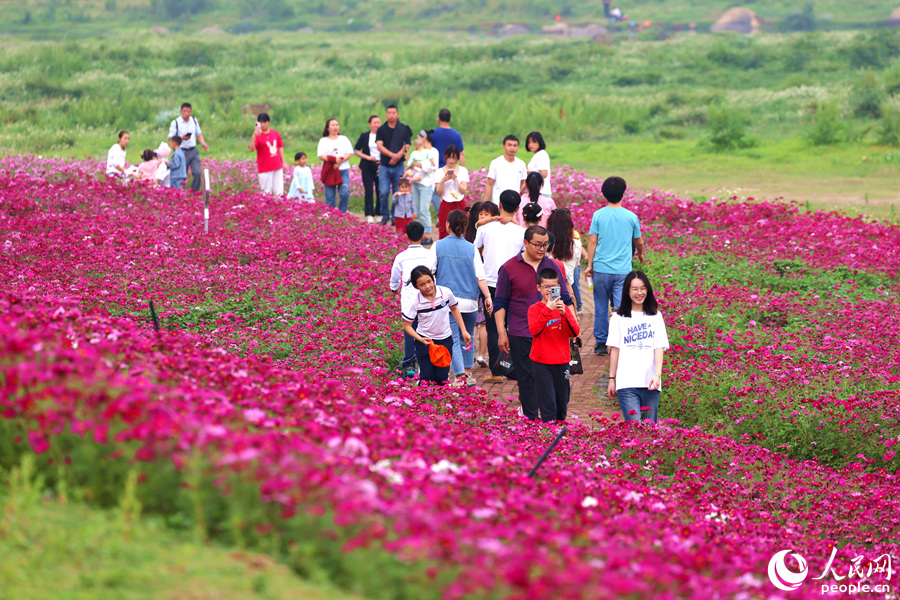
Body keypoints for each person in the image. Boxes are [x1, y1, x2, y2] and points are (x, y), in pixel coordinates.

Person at [494, 226, 573, 420]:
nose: (542, 249)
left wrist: (573, 324)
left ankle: (553, 419)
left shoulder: (552, 266)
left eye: (545, 245)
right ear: (526, 243)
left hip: (552, 333)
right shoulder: (509, 268)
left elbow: (566, 298)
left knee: (556, 381)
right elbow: (500, 303)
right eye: (537, 245)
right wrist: (502, 332)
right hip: (522, 332)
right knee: (527, 380)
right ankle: (531, 421)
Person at [585, 176, 644, 356]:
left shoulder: (598, 215)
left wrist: (589, 264)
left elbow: (593, 241)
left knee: (601, 307)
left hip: (601, 269)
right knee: (621, 307)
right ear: (623, 192)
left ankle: (601, 344)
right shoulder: (631, 217)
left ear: (604, 193)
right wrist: (640, 253)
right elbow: (639, 242)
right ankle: (622, 340)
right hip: (622, 271)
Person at [434, 210, 492, 387]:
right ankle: (467, 373)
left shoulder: (438, 246)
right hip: (470, 301)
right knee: (468, 336)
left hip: (449, 302)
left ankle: (459, 377)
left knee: (454, 338)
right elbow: (480, 276)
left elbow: (428, 270)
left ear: (448, 225)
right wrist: (488, 296)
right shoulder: (471, 248)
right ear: (465, 227)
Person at [474, 191, 526, 383]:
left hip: (490, 284)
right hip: (514, 284)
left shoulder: (485, 229)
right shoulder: (521, 232)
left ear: (499, 205)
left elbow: (475, 250)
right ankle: (515, 367)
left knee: (492, 327)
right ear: (518, 208)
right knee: (514, 326)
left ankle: (496, 372)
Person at [607, 271, 669, 424]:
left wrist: (657, 375)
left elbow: (658, 347)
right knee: (635, 428)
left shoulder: (656, 316)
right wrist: (611, 379)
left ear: (648, 290)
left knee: (650, 429)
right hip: (626, 383)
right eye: (634, 289)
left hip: (651, 383)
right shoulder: (618, 318)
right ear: (627, 292)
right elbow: (615, 350)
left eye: (643, 288)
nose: (639, 293)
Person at [402, 266, 471, 385]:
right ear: (416, 287)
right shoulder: (415, 301)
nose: (428, 286)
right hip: (425, 342)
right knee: (427, 378)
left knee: (442, 377)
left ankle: (441, 395)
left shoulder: (445, 292)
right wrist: (420, 339)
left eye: (429, 281)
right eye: (422, 284)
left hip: (445, 340)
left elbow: (454, 309)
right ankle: (422, 389)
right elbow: (407, 325)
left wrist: (464, 331)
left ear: (433, 278)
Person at [528, 268, 580, 422]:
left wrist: (564, 314)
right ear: (538, 288)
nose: (550, 291)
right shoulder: (534, 309)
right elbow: (534, 330)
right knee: (547, 403)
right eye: (546, 287)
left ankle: (560, 431)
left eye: (554, 287)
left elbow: (574, 332)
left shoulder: (563, 309)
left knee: (562, 402)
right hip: (541, 363)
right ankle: (550, 431)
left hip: (562, 361)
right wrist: (547, 310)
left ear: (559, 287)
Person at [390, 221, 435, 378]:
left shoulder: (401, 256)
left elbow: (395, 277)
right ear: (423, 236)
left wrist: (394, 289)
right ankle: (427, 362)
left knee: (409, 330)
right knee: (427, 330)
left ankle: (409, 363)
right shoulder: (430, 254)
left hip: (409, 301)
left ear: (406, 236)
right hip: (427, 299)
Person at [377, 105, 413, 226]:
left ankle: (395, 216)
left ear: (398, 114)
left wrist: (397, 156)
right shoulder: (381, 129)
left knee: (398, 192)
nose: (391, 115)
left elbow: (407, 145)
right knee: (383, 191)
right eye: (389, 113)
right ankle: (385, 214)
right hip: (384, 166)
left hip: (398, 166)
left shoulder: (404, 129)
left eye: (393, 113)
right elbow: (379, 145)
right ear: (386, 115)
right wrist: (392, 155)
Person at [430, 108, 465, 216]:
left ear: (438, 119)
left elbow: (429, 151)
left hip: (437, 168)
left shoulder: (433, 134)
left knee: (437, 193)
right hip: (454, 167)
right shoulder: (456, 135)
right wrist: (462, 169)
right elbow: (461, 153)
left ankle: (439, 214)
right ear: (450, 119)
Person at [167, 102, 209, 192]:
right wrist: (181, 138)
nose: (186, 113)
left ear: (191, 112)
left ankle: (194, 192)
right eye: (184, 111)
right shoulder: (175, 123)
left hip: (193, 150)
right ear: (180, 111)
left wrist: (203, 143)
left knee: (197, 172)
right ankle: (181, 193)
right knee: (182, 174)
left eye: (188, 111)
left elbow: (199, 134)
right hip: (182, 152)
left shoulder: (194, 120)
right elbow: (170, 137)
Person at [547, 208, 583, 312]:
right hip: (567, 289)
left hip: (547, 288)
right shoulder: (576, 244)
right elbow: (576, 264)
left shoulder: (546, 244)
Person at [317, 118, 354, 213]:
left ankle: (342, 213)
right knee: (330, 197)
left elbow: (349, 152)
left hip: (343, 170)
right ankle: (332, 216)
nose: (335, 127)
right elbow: (321, 155)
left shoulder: (344, 139)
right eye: (333, 125)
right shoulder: (323, 141)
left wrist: (340, 161)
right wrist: (334, 160)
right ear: (328, 128)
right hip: (329, 170)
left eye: (337, 125)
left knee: (345, 193)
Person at [407, 130, 438, 238]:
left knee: (424, 209)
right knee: (417, 209)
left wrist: (415, 163)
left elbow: (429, 167)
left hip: (426, 184)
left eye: (419, 137)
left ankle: (428, 234)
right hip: (416, 183)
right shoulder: (417, 152)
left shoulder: (433, 152)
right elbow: (411, 166)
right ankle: (422, 232)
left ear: (424, 138)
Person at [434, 145, 469, 239]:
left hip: (459, 203)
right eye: (449, 157)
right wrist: (443, 180)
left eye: (454, 158)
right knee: (444, 230)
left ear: (457, 158)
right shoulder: (439, 172)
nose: (451, 160)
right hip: (446, 204)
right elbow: (439, 193)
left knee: (462, 229)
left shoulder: (463, 170)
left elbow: (463, 190)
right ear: (445, 157)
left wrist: (455, 179)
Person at [248, 113, 286, 195]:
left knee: (279, 192)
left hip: (277, 166)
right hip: (265, 168)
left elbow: (280, 147)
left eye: (264, 122)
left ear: (269, 122)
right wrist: (254, 135)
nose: (263, 124)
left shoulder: (275, 133)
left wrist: (283, 162)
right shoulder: (257, 136)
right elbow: (251, 149)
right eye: (260, 122)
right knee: (266, 192)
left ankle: (279, 203)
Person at [483, 135, 527, 206]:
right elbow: (489, 184)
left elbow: (521, 185)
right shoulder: (496, 163)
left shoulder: (521, 164)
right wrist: (484, 205)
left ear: (518, 147)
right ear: (504, 146)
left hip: (514, 205)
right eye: (509, 145)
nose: (512, 148)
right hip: (498, 203)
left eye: (515, 145)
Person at [354, 115, 381, 223]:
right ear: (370, 124)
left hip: (381, 166)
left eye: (378, 122)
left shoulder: (384, 136)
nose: (377, 125)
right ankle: (369, 214)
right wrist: (368, 157)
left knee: (380, 191)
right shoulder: (365, 136)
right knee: (369, 190)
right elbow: (356, 150)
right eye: (375, 122)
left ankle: (379, 213)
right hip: (367, 165)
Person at [525, 131, 552, 199]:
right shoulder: (537, 155)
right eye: (529, 142)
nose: (531, 145)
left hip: (542, 192)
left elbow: (544, 173)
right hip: (536, 192)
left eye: (534, 142)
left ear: (539, 142)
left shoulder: (541, 154)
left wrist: (527, 171)